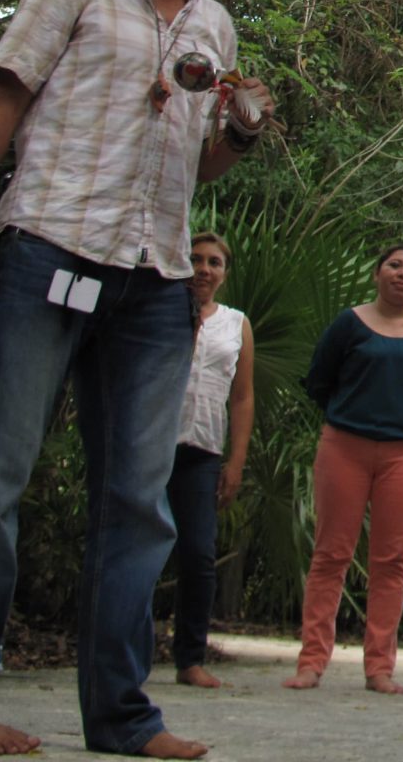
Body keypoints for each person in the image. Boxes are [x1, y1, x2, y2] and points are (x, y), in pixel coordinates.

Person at [0, 0, 273, 760]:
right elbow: (4, 103)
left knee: (137, 502)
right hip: (46, 245)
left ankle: (122, 718)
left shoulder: (218, 27)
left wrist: (240, 133)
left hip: (156, 279)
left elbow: (200, 161)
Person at [288, 244, 403, 696]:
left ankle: (380, 667)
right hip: (344, 446)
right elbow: (320, 380)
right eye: (394, 265)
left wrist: (401, 428)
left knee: (391, 560)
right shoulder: (349, 323)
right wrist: (351, 417)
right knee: (330, 556)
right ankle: (311, 662)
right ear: (378, 272)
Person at [165, 231, 255, 690]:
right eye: (196, 259)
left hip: (202, 450)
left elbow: (241, 397)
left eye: (214, 262)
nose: (203, 268)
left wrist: (235, 461)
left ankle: (190, 658)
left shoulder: (236, 323)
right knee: (136, 549)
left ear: (224, 272)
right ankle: (119, 651)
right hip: (150, 445)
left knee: (198, 555)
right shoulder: (157, 310)